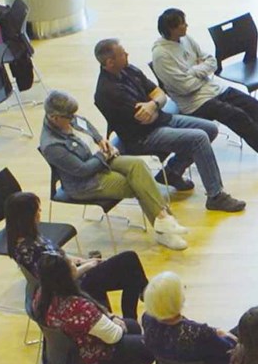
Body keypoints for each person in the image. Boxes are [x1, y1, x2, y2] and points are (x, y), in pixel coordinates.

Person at [93, 38, 246, 213]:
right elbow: (146, 118)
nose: (127, 54)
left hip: (160, 120)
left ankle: (173, 171)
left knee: (210, 129)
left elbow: (159, 93)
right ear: (110, 62)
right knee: (199, 138)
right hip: (143, 137)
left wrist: (153, 104)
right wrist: (155, 104)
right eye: (122, 54)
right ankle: (216, 196)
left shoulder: (128, 69)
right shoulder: (108, 91)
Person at [151, 8, 258, 168]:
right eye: (182, 24)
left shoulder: (186, 39)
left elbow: (212, 61)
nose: (186, 25)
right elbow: (184, 87)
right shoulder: (162, 55)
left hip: (212, 89)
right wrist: (202, 71)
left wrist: (193, 71)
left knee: (251, 104)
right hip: (194, 103)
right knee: (236, 115)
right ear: (171, 29)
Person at [39, 90, 189, 250]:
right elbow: (83, 170)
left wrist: (101, 140)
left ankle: (164, 221)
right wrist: (103, 155)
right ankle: (165, 229)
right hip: (86, 183)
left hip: (100, 160)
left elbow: (86, 125)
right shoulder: (52, 145)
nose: (73, 119)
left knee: (138, 166)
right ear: (55, 118)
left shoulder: (68, 117)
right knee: (139, 184)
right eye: (69, 117)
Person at [35, 252, 154, 364]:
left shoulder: (41, 297)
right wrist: (116, 322)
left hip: (60, 359)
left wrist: (112, 318)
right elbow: (114, 336)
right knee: (150, 346)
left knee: (132, 326)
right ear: (66, 277)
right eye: (72, 265)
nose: (75, 265)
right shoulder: (78, 307)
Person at [6, 190, 149, 319]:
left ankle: (135, 311)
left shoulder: (30, 236)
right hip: (74, 284)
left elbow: (59, 254)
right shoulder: (28, 251)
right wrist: (88, 265)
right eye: (36, 211)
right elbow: (62, 279)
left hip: (75, 272)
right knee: (129, 261)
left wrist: (82, 260)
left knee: (131, 273)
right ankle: (144, 296)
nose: (39, 213)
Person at [141, 272, 236, 364]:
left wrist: (214, 331)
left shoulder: (147, 320)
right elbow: (229, 348)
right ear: (176, 299)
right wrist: (225, 335)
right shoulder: (200, 334)